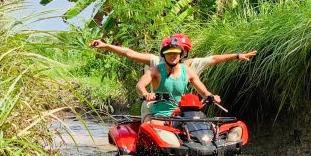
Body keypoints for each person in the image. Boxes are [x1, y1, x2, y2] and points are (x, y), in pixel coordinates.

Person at [88, 33, 256, 79]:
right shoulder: (155, 61)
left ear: (183, 53)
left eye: (178, 51)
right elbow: (130, 53)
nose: (174, 54)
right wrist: (107, 46)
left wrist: (237, 55)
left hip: (183, 109)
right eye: (170, 51)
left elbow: (213, 59)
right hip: (156, 107)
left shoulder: (190, 65)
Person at [135, 36, 220, 119]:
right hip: (160, 115)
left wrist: (212, 96)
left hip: (182, 115)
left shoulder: (187, 71)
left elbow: (204, 92)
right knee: (152, 130)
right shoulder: (155, 70)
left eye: (175, 53)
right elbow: (140, 85)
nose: (172, 55)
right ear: (164, 55)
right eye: (169, 53)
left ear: (181, 54)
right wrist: (146, 94)